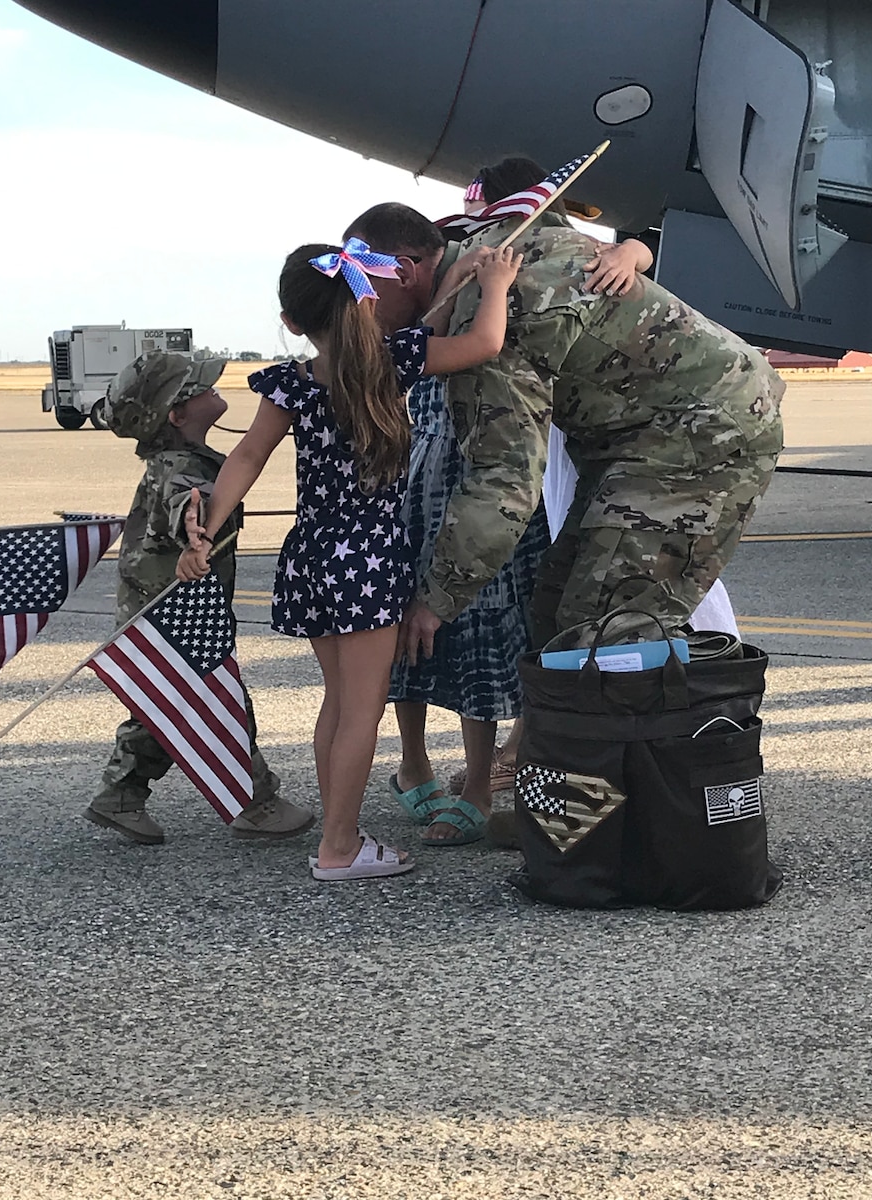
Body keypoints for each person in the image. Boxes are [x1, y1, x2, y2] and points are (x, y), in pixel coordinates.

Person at [176, 238, 523, 881]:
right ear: (365, 299)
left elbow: (247, 458)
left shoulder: (293, 382)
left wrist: (207, 528)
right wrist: (496, 284)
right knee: (361, 713)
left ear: (293, 323)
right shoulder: (396, 361)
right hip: (368, 557)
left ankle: (342, 833)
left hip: (313, 553)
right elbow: (483, 344)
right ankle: (339, 847)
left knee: (337, 706)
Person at [343, 195, 784, 700]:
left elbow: (504, 479)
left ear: (403, 271)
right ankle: (575, 766)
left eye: (362, 291)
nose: (361, 310)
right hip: (647, 439)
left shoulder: (493, 312)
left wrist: (436, 599)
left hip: (703, 435)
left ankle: (653, 770)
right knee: (554, 611)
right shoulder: (491, 259)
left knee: (605, 630)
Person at [388, 157, 654, 846]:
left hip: (502, 470)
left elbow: (634, 250)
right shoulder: (464, 251)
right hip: (430, 471)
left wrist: (631, 249)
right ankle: (415, 761)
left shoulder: (540, 258)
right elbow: (429, 324)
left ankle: (488, 776)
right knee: (410, 633)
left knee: (491, 631)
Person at [85, 351, 315, 846]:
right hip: (168, 610)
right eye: (200, 389)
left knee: (161, 706)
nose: (215, 389)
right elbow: (183, 504)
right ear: (177, 415)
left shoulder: (186, 459)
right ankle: (254, 802)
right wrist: (194, 526)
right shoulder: (180, 468)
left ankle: (121, 795)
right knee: (212, 697)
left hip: (159, 605)